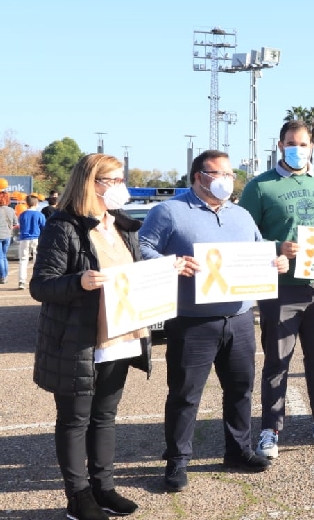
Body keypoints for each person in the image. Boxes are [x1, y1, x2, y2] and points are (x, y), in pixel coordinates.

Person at [138, 150, 287, 491]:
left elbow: (260, 246)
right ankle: (177, 462)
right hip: (192, 322)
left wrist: (275, 261)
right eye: (217, 173)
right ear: (197, 176)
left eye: (230, 174)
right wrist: (171, 262)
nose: (225, 180)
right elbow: (141, 247)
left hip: (239, 319)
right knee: (185, 395)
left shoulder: (241, 215)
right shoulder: (170, 211)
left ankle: (238, 451)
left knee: (240, 391)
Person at [30, 154, 156, 520]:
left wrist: (167, 270)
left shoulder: (123, 226)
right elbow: (41, 285)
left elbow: (133, 275)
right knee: (74, 420)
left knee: (105, 416)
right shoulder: (62, 225)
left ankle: (104, 487)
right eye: (113, 180)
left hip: (122, 334)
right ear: (92, 183)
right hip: (78, 341)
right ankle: (78, 497)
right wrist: (79, 282)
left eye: (121, 179)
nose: (121, 186)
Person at [238, 119, 314, 461]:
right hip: (281, 290)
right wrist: (277, 248)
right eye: (292, 143)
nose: (298, 149)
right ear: (280, 145)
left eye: (304, 144)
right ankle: (270, 429)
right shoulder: (259, 187)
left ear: (312, 148)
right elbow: (245, 236)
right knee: (277, 362)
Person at [17, 194, 46, 290]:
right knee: (37, 260)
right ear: (36, 203)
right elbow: (44, 227)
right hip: (36, 238)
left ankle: (21, 281)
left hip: (24, 238)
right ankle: (37, 279)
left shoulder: (22, 214)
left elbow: (20, 226)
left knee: (23, 260)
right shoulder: (40, 215)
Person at [0, 192, 14, 285]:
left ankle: (2, 276)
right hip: (8, 235)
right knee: (4, 256)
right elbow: (16, 222)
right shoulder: (11, 210)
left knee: (0, 257)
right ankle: (5, 275)